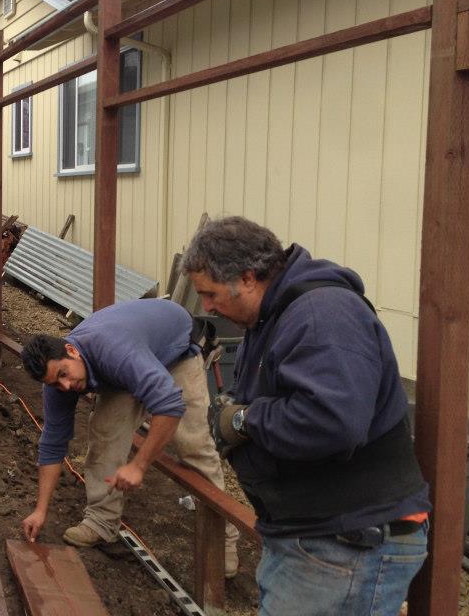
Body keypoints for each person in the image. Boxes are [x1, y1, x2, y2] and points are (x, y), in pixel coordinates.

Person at [182, 216, 430, 615]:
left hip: (346, 544)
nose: (207, 306)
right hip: (313, 536)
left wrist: (244, 420)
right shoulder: (271, 317)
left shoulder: (322, 315)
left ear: (247, 277)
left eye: (210, 294)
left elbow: (332, 421)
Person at [19, 299, 240, 577]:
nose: (65, 385)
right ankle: (101, 521)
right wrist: (40, 511)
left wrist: (139, 465)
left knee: (193, 445)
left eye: (64, 374)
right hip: (127, 361)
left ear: (72, 351)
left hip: (175, 351)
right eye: (55, 383)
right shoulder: (60, 382)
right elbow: (53, 443)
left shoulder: (113, 351)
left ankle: (223, 544)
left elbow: (169, 404)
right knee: (105, 431)